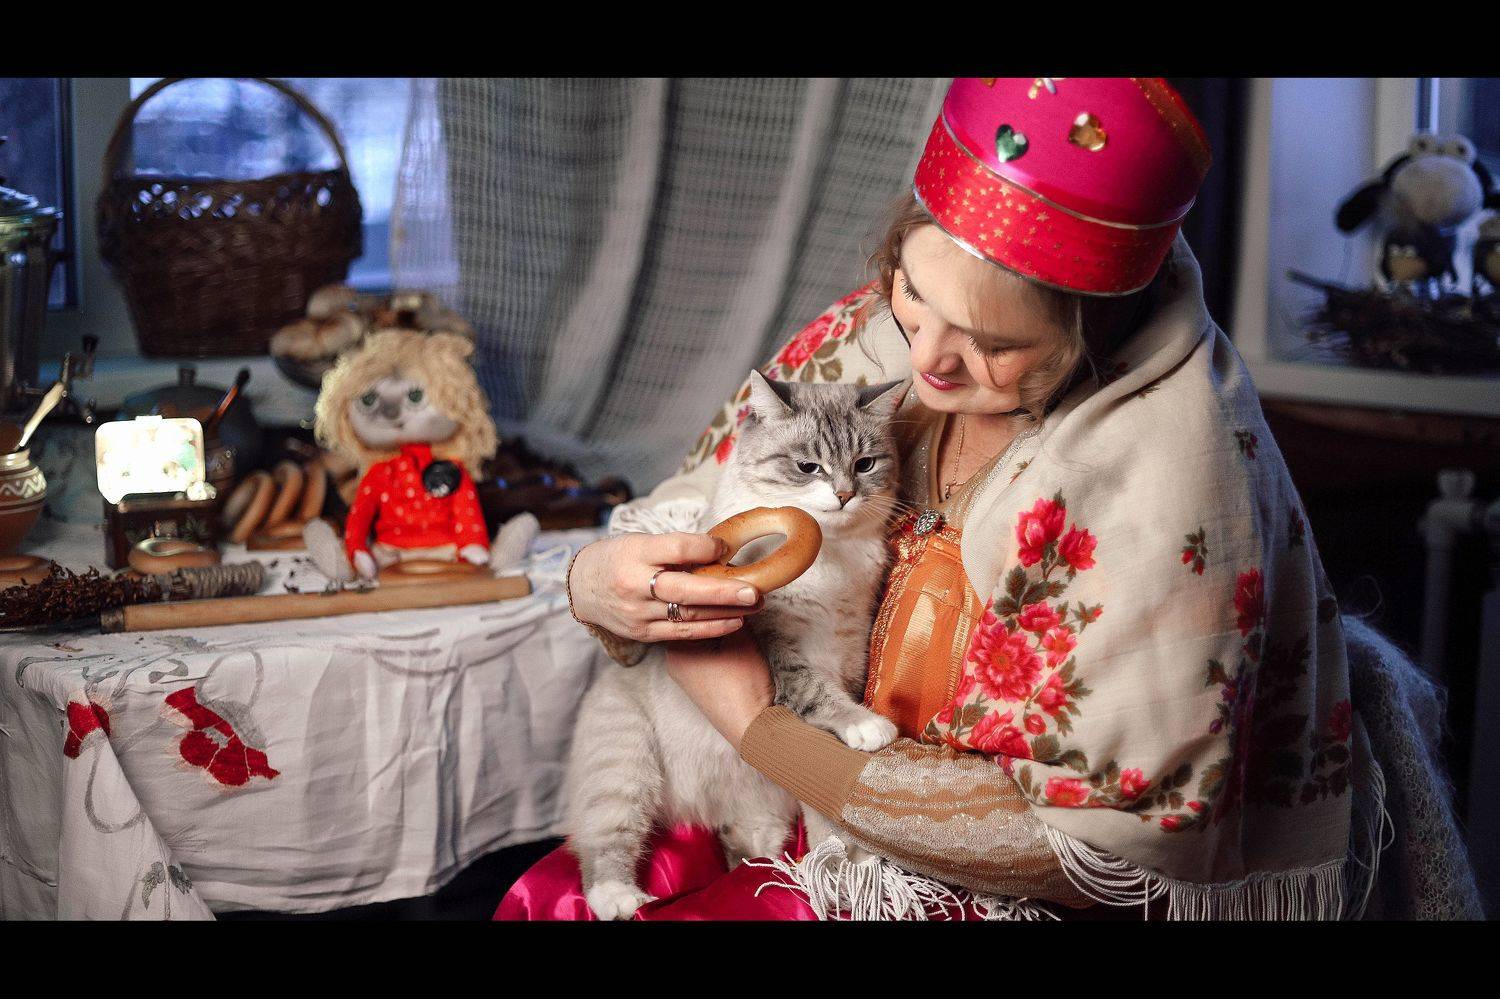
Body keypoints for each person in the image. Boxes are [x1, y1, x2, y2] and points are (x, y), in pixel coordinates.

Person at [499, 78, 1384, 920]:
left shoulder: (1162, 482)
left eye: (992, 343)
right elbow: (699, 495)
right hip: (780, 802)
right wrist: (598, 582)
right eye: (912, 291)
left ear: (1091, 338)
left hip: (974, 881)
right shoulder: (879, 335)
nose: (924, 358)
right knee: (553, 897)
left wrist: (758, 726)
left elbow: (1086, 852)